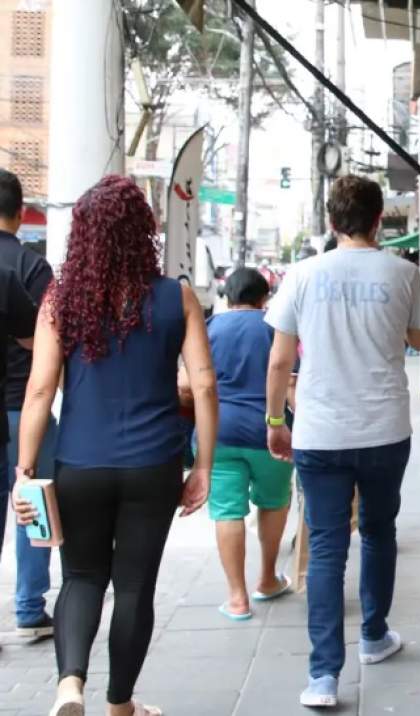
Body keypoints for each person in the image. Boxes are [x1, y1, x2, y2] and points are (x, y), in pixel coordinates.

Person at [12, 175, 218, 716]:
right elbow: (203, 385)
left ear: (82, 235)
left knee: (81, 576)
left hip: (79, 462)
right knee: (134, 588)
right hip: (153, 465)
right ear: (142, 233)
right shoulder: (177, 297)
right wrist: (202, 465)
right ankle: (120, 704)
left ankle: (69, 686)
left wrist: (25, 469)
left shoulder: (61, 300)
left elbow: (39, 390)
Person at [264, 175, 420, 709]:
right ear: (379, 219)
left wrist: (274, 420)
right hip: (385, 429)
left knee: (327, 547)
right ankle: (375, 636)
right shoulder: (403, 273)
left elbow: (279, 359)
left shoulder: (303, 274)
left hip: (320, 432)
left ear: (332, 221)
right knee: (380, 531)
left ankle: (322, 677)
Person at [180, 268, 294, 620]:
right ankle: (266, 580)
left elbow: (186, 385)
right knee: (273, 503)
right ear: (265, 297)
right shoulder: (277, 327)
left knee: (227, 511)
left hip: (219, 434)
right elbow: (290, 382)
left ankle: (237, 598)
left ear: (227, 297)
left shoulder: (210, 327)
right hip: (270, 432)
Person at [0, 169, 58, 640]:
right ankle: (28, 607)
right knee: (33, 502)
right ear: (21, 213)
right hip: (25, 407)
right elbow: (46, 342)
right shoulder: (33, 268)